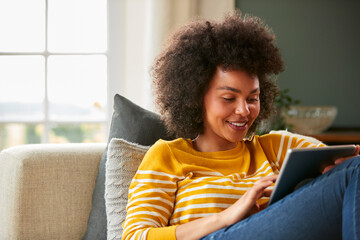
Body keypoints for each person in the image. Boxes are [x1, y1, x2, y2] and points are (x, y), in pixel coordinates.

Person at [122, 11, 360, 240]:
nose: (244, 111)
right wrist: (227, 217)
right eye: (229, 98)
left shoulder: (277, 147)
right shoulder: (168, 156)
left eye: (252, 98)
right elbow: (134, 236)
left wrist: (334, 170)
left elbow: (347, 172)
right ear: (195, 97)